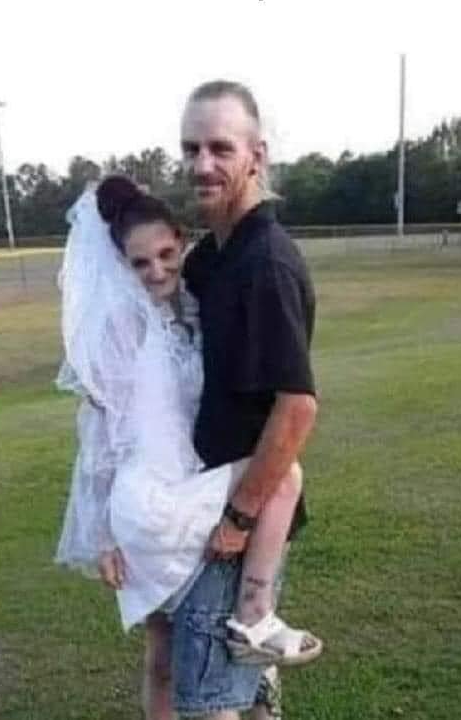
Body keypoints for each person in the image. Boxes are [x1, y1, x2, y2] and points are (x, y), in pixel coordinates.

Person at [55, 174, 320, 720]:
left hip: (178, 487)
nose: (156, 271)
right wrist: (102, 534)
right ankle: (256, 615)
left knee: (165, 650)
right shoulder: (121, 331)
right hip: (152, 502)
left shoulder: (192, 308)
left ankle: (255, 652)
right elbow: (98, 436)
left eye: (165, 255)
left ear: (181, 242)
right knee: (284, 476)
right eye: (140, 263)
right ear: (120, 265)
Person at [170, 80, 319, 719]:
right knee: (247, 683)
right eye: (191, 148)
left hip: (237, 513)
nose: (202, 164)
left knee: (207, 700)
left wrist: (238, 519)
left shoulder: (265, 264)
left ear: (257, 156)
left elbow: (297, 407)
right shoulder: (214, 257)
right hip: (214, 495)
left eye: (220, 148)